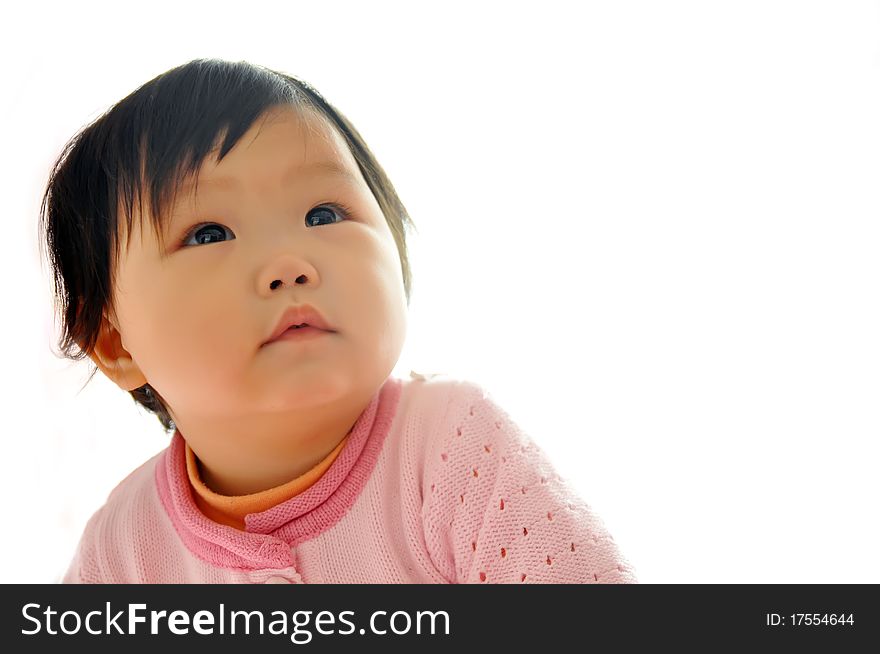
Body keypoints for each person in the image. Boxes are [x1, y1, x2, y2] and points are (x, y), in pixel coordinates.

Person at [40, 58, 637, 583]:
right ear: (116, 342)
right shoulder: (121, 550)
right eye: (209, 233)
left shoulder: (451, 448)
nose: (289, 265)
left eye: (324, 213)